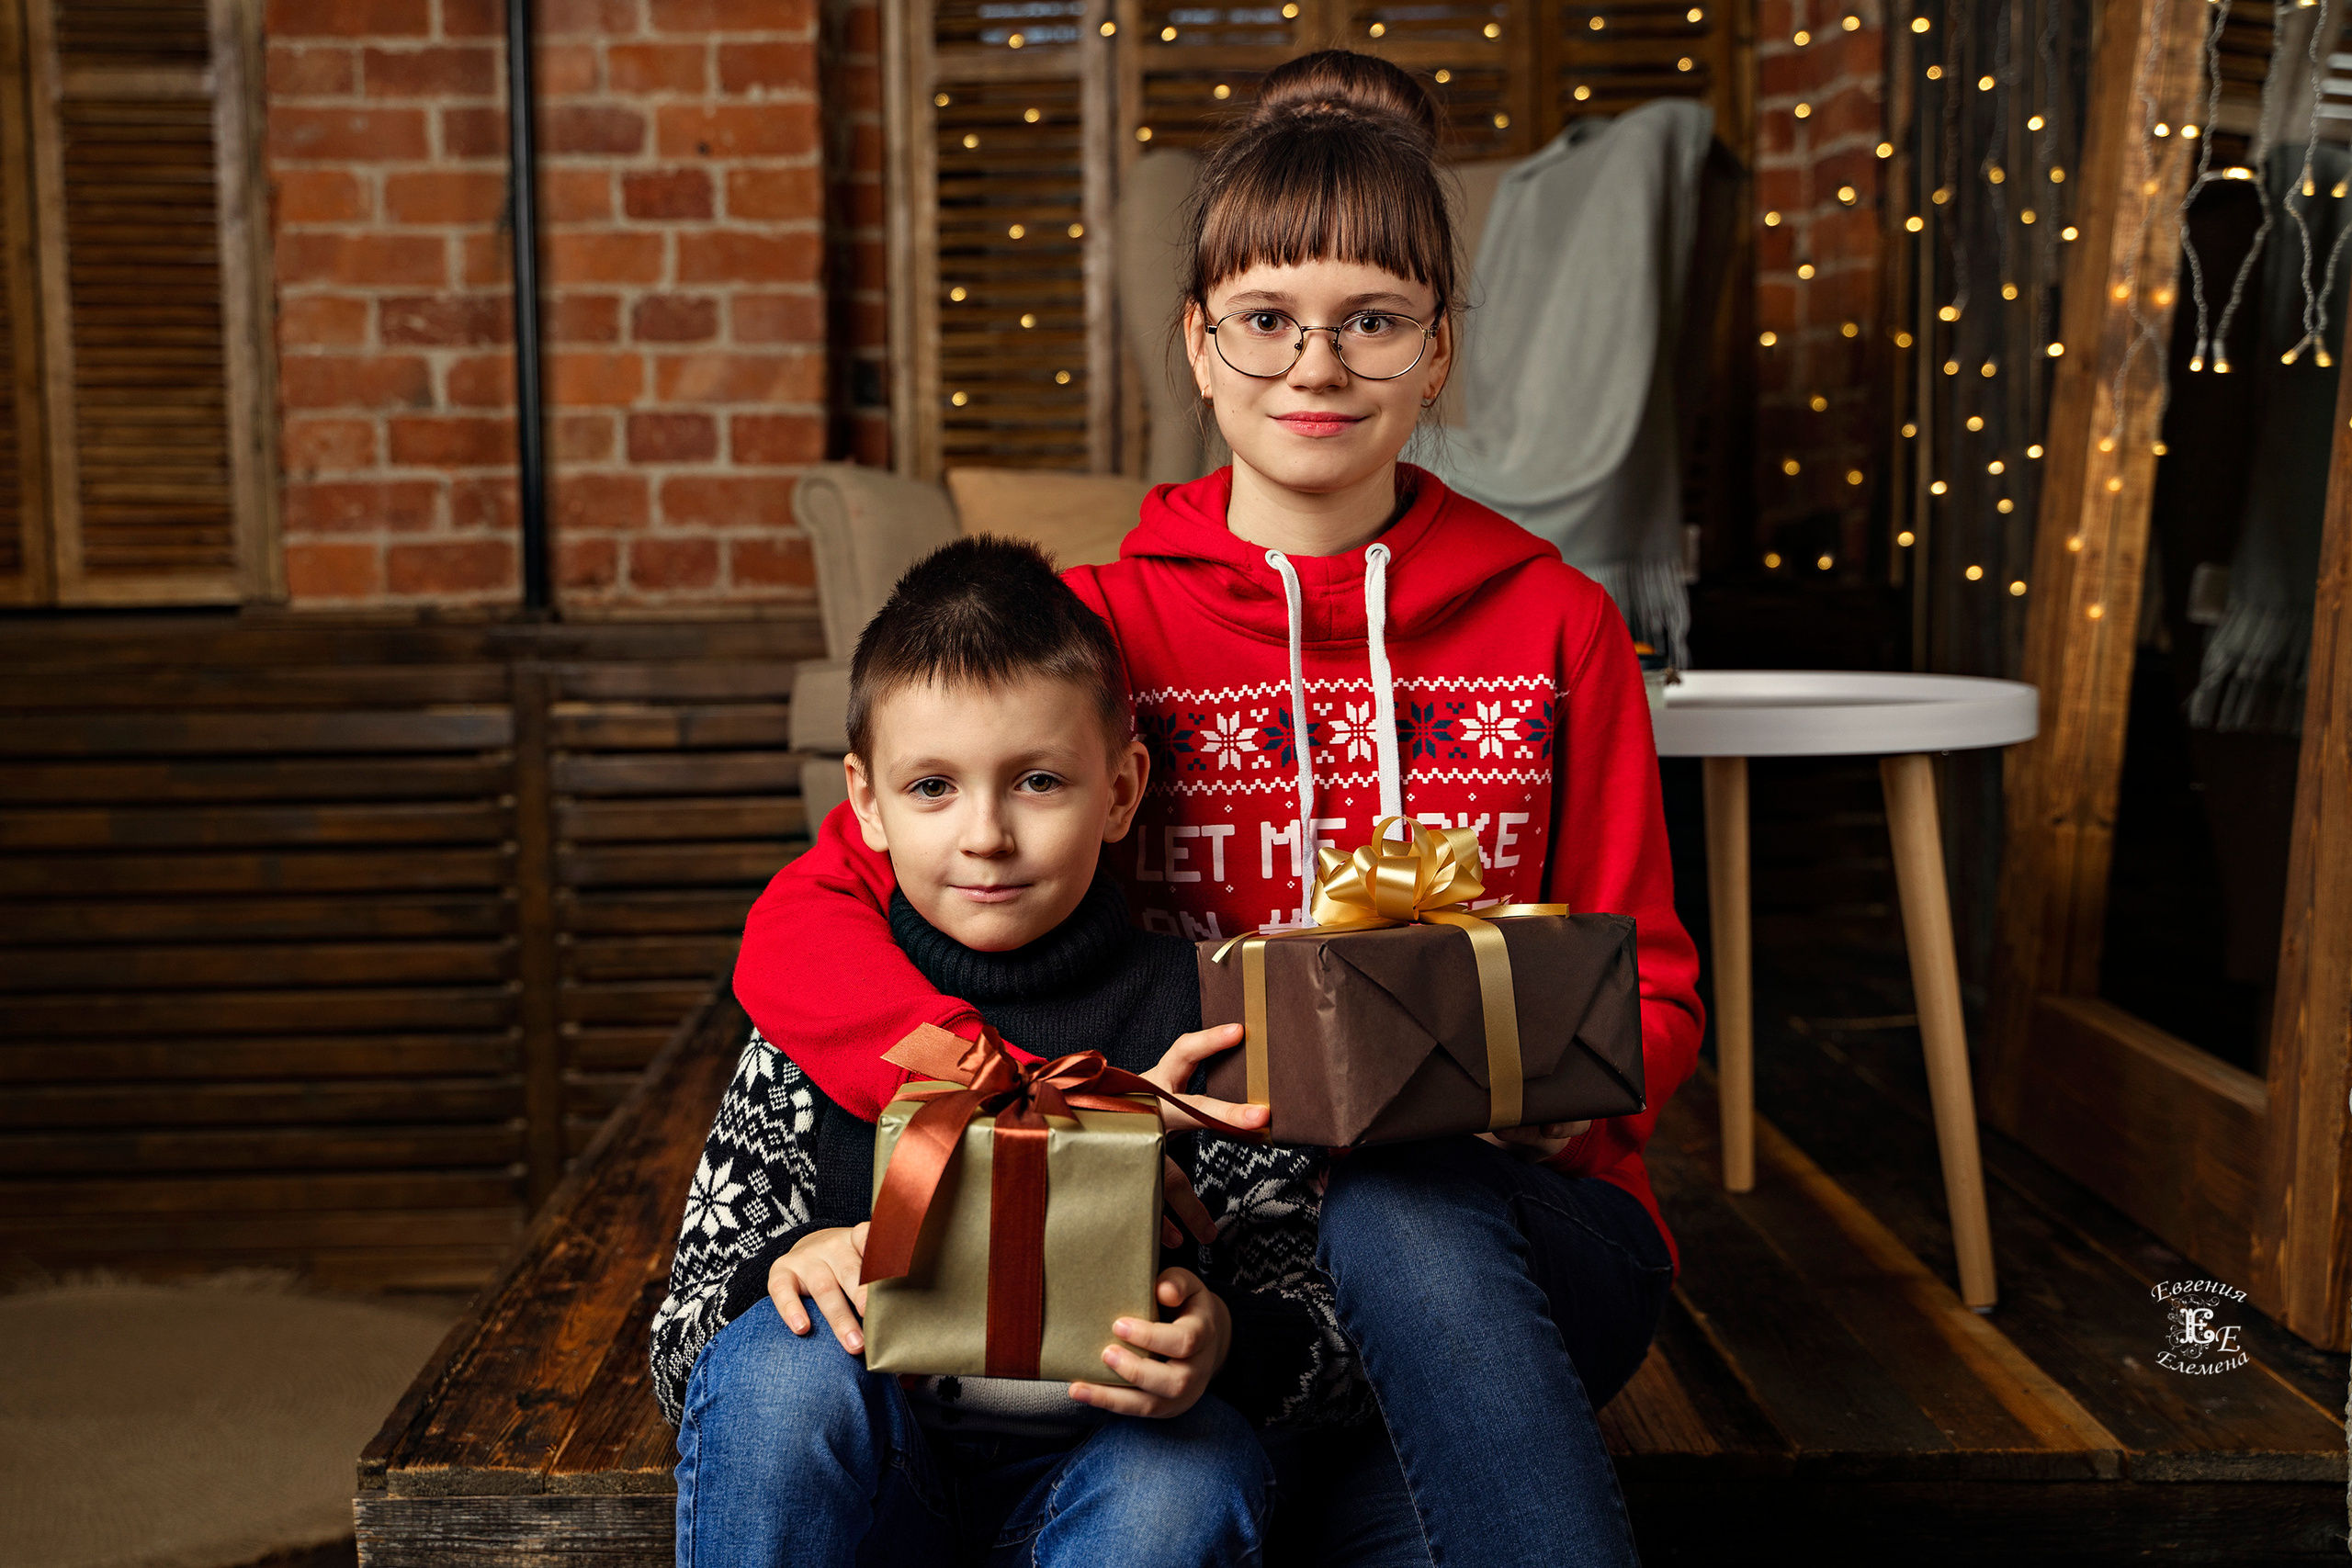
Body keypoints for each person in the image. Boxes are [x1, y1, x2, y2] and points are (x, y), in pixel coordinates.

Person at [729, 51, 1704, 1567]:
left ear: (1437, 352)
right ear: (1198, 344)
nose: (1315, 369)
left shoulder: (1560, 625)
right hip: (1201, 1257)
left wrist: (1516, 1077)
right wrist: (993, 1087)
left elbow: (1655, 993)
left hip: (1513, 1229)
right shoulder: (1102, 633)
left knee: (1402, 1202)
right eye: (1265, 322)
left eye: (1372, 322)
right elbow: (812, 912)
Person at [656, 536, 1380, 1566]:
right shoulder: (816, 1027)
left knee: (1192, 1468)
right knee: (780, 1370)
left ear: (1122, 790)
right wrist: (781, 1270)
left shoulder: (1210, 1018)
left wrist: (1224, 1341)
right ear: (865, 801)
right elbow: (681, 1339)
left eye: (1038, 781)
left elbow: (1336, 1339)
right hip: (878, 1493)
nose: (986, 835)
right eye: (933, 788)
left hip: (1107, 1488)